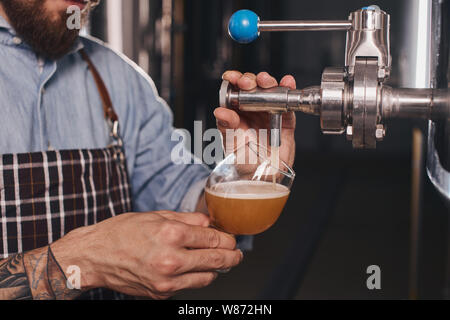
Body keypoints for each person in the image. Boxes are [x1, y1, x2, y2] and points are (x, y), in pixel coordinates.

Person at [0, 0, 296, 300]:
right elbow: (83, 262)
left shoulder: (117, 78)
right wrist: (81, 262)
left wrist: (244, 179)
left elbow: (180, 198)